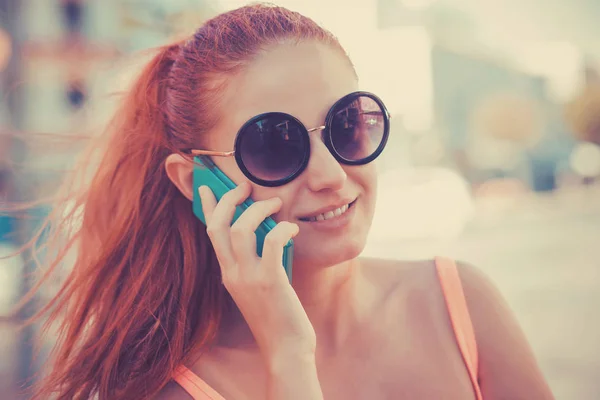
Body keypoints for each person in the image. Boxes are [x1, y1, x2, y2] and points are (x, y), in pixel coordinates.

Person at [16, 4, 554, 400]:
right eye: (275, 144)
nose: (329, 173)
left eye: (347, 125)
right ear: (194, 182)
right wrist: (289, 356)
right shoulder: (172, 391)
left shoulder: (460, 300)